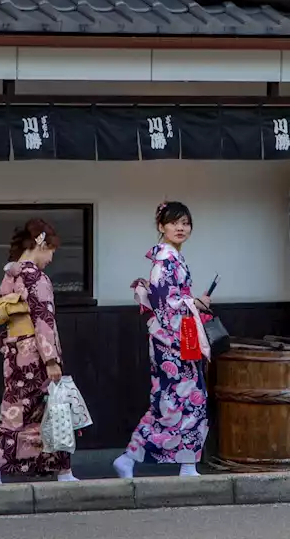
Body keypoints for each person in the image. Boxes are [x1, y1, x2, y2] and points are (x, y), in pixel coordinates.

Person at [113, 201, 211, 479]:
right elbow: (167, 305)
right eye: (174, 222)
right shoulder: (166, 261)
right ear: (161, 227)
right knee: (173, 402)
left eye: (185, 223)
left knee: (190, 399)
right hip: (172, 341)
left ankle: (186, 463)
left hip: (180, 336)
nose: (181, 228)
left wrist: (193, 305)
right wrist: (196, 303)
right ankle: (132, 456)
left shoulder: (171, 258)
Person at [0, 218, 77, 484]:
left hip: (14, 352)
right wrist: (52, 359)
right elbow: (43, 319)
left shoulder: (10, 275)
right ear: (41, 244)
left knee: (15, 409)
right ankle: (63, 471)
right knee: (53, 409)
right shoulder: (36, 276)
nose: (50, 259)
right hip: (35, 353)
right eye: (51, 252)